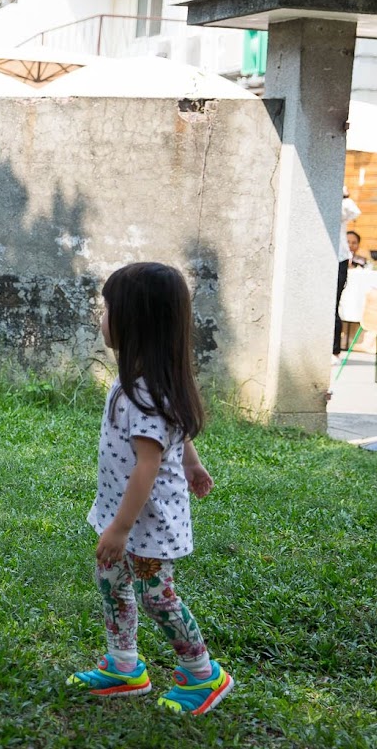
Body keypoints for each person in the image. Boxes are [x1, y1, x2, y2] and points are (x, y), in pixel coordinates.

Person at [67, 262, 236, 716]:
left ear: (135, 321)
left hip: (145, 522)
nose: (100, 317)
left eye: (107, 309)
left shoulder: (145, 393)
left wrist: (119, 529)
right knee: (111, 581)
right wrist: (195, 464)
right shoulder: (149, 382)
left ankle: (204, 674)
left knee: (156, 596)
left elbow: (148, 464)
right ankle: (124, 665)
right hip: (124, 515)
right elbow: (176, 436)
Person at [335, 190, 362, 356]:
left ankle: (334, 350)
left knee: (333, 306)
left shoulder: (343, 207)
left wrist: (343, 195)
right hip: (324, 257)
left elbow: (355, 211)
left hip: (339, 258)